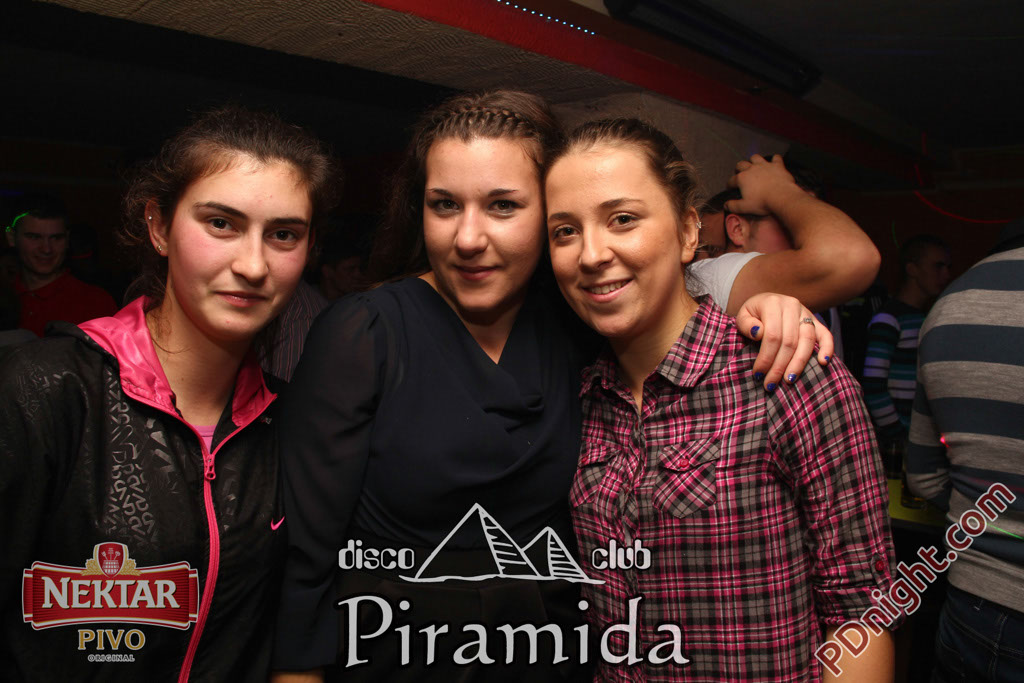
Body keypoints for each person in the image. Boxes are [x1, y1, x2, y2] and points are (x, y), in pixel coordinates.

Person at [271, 91, 832, 682]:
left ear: (547, 215)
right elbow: (306, 564)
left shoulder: (580, 324)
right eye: (445, 205)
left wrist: (770, 308)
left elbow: (668, 301)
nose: (468, 237)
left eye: (503, 206)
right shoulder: (364, 333)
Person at [544, 118, 896, 681]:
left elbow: (861, 614)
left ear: (689, 232)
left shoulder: (788, 374)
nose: (590, 253)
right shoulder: (578, 394)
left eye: (623, 219)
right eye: (565, 231)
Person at [0, 106, 335, 682]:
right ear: (159, 228)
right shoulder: (47, 388)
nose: (254, 265)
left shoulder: (292, 422)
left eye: (283, 234)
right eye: (221, 223)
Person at [906, 241, 1024, 682]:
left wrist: (983, 513)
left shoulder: (950, 303)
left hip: (970, 602)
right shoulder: (892, 318)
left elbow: (923, 477)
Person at [863, 234, 951, 446]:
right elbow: (873, 384)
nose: (946, 275)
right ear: (912, 269)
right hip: (899, 442)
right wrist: (897, 434)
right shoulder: (889, 318)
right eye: (938, 266)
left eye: (948, 267)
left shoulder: (925, 317)